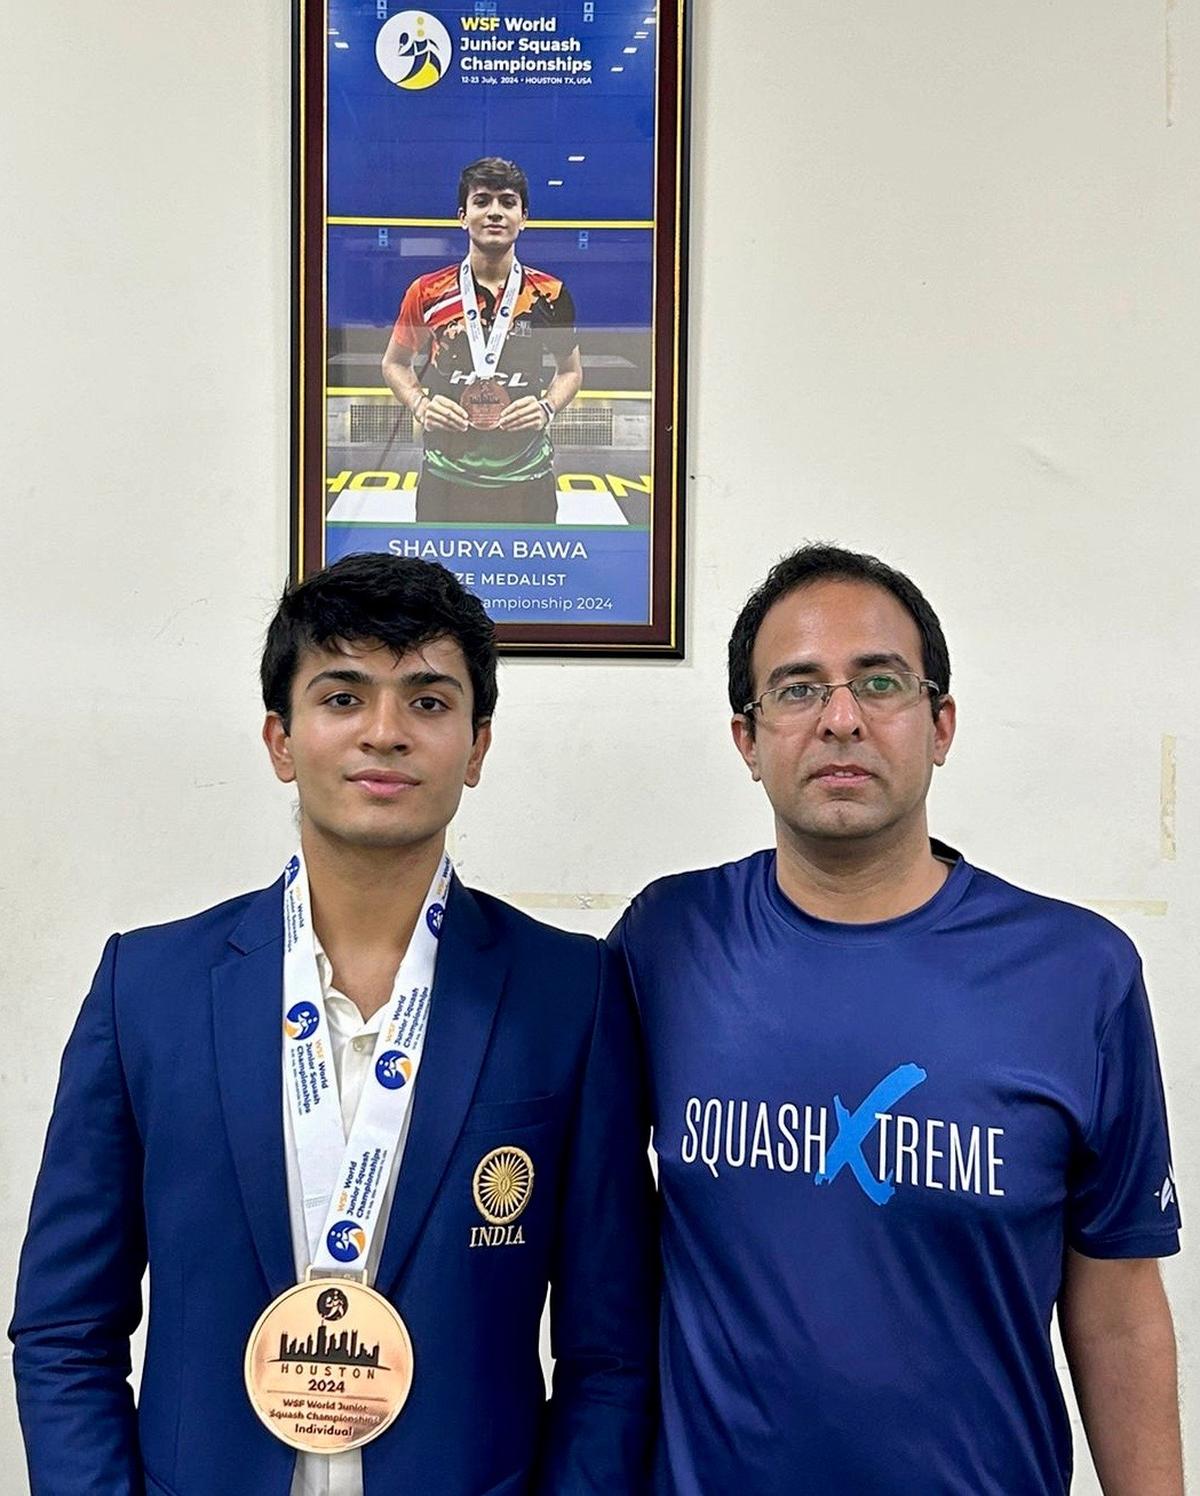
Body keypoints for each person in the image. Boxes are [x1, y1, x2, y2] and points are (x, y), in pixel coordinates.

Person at [11, 553, 655, 1496]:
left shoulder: (573, 994)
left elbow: (614, 1356)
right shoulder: (145, 988)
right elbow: (67, 1327)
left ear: (476, 748)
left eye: (428, 703)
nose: (385, 734)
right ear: (281, 740)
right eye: (343, 697)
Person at [611, 543, 1183, 1495]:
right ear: (747, 741)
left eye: (878, 682)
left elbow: (1119, 1307)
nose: (841, 719)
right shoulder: (666, 943)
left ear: (940, 723)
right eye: (797, 690)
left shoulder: (1079, 972)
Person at [381, 156, 582, 525]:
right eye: (482, 200)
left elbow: (570, 371)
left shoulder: (549, 293)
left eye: (507, 202)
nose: (495, 212)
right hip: (445, 477)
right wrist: (419, 404)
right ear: (462, 216)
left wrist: (548, 408)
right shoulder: (427, 291)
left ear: (524, 218)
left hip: (528, 478)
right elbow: (394, 363)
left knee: (527, 582)